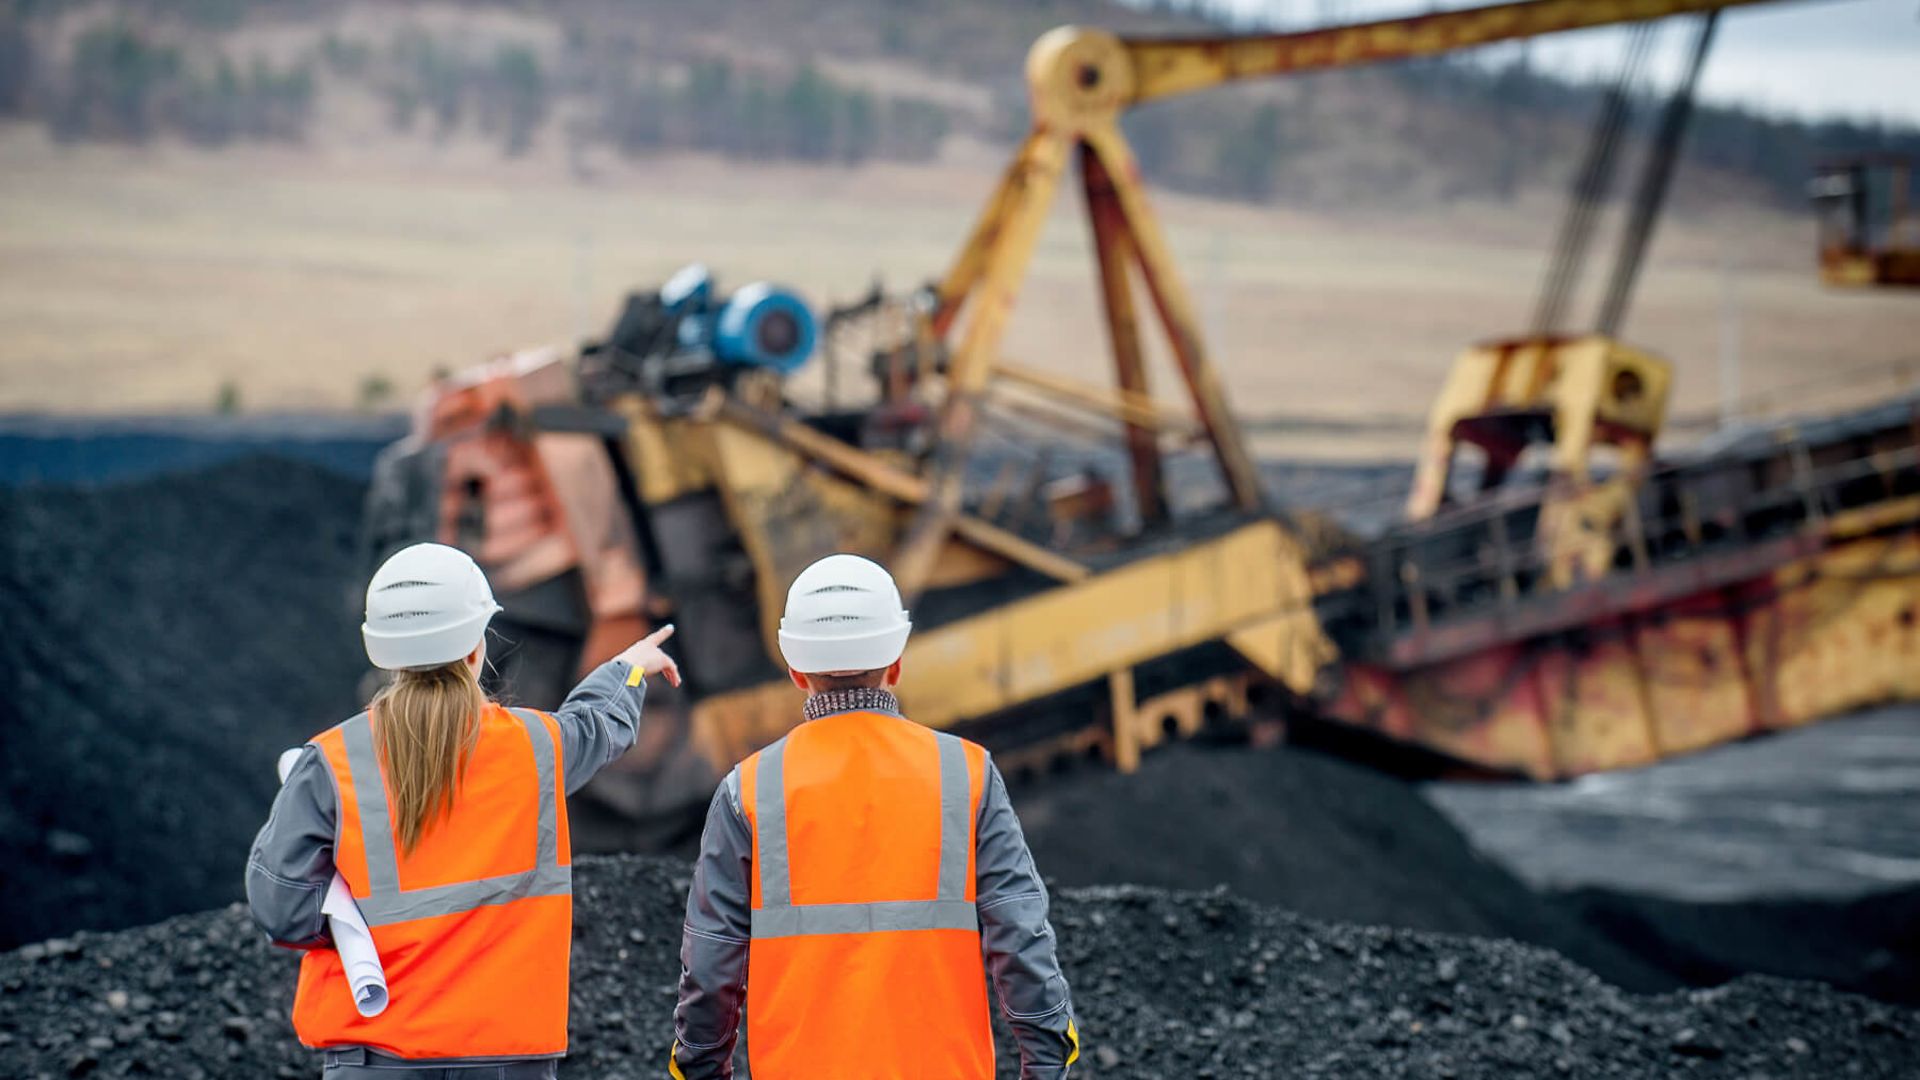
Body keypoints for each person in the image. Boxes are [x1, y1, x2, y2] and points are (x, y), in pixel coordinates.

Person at [246, 542, 680, 1079]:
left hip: (376, 1060)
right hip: (506, 1061)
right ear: (477, 648)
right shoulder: (536, 748)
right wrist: (629, 667)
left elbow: (282, 908)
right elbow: (598, 726)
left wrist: (355, 921)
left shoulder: (332, 763)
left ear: (382, 651)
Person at [670, 553, 1079, 1079]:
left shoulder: (748, 790)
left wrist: (701, 1067)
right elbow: (1020, 936)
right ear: (897, 663)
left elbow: (711, 964)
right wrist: (1045, 1060)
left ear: (795, 671)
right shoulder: (965, 773)